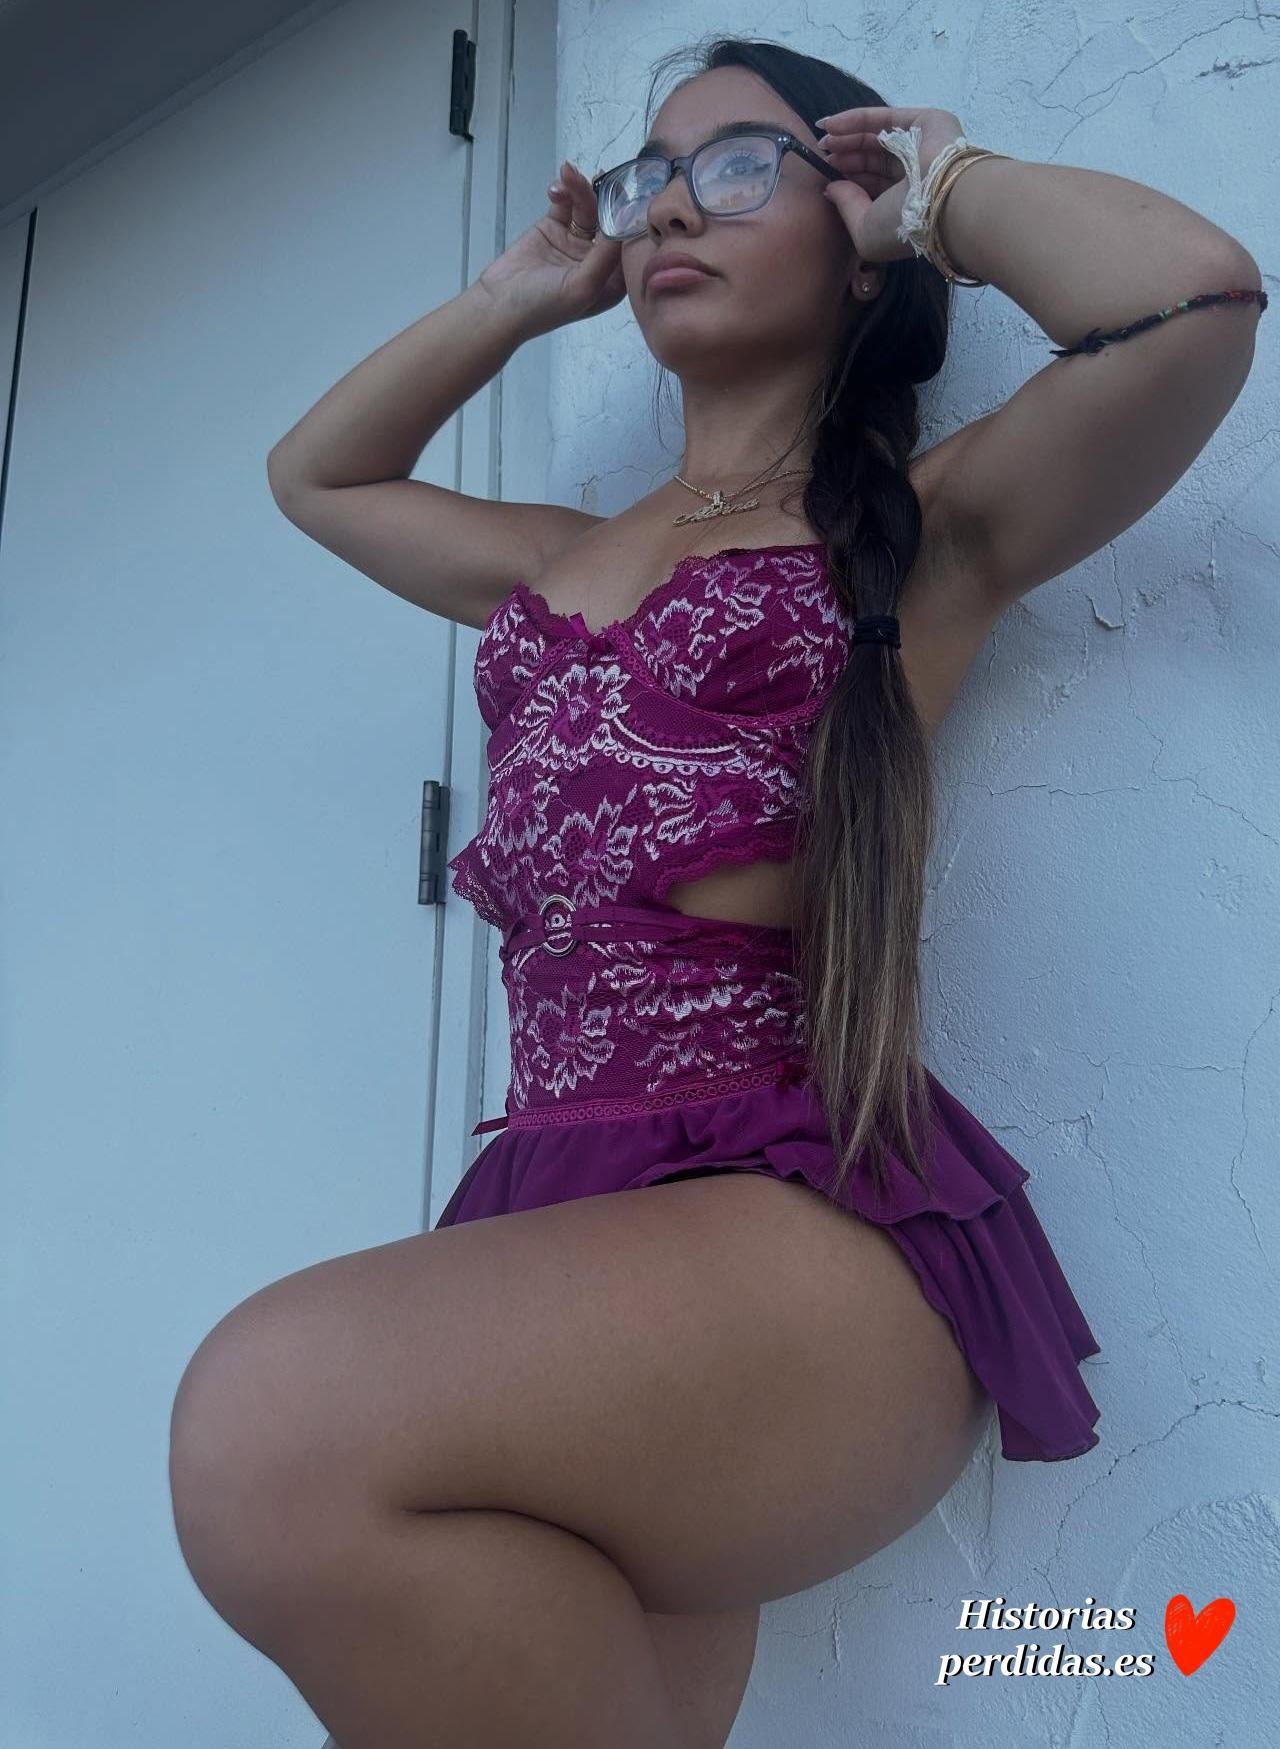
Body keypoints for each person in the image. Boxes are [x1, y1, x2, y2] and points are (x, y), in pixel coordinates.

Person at [170, 34, 1265, 1749]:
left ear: (855, 227)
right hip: (574, 1220)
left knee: (269, 1428)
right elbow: (320, 479)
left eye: (741, 165)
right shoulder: (551, 560)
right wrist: (521, 297)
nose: (673, 206)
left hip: (797, 1220)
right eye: (651, 176)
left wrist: (948, 194)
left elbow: (1192, 302)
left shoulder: (919, 532)